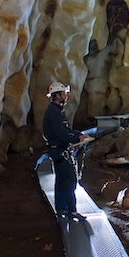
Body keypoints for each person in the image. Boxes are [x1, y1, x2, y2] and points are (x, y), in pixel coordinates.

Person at [42, 81, 92, 221]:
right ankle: (72, 211)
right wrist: (75, 138)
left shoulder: (56, 110)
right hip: (59, 151)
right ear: (57, 95)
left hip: (57, 150)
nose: (66, 96)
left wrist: (79, 134)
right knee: (70, 180)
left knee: (62, 181)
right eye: (63, 94)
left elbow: (65, 129)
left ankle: (61, 209)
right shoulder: (54, 112)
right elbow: (60, 133)